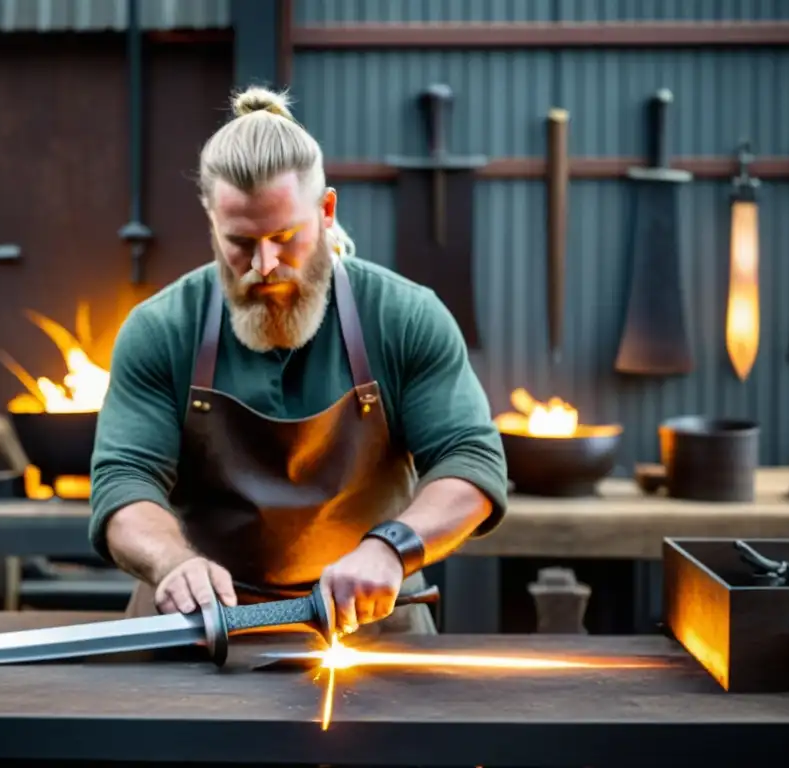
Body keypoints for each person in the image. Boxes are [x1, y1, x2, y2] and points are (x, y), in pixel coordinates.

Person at [89, 86, 508, 637]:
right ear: (211, 219)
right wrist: (171, 562)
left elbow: (472, 463)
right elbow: (123, 482)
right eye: (240, 242)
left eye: (286, 238)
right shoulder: (161, 329)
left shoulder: (406, 316)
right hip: (196, 632)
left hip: (368, 631)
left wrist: (392, 548)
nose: (264, 265)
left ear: (327, 211)